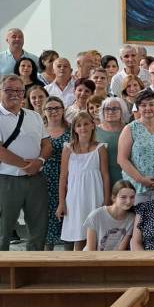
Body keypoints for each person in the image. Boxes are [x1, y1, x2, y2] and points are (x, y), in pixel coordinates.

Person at [0, 75, 52, 251]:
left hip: (35, 179)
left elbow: (46, 144)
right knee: (2, 229)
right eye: (9, 90)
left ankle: (34, 264)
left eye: (19, 90)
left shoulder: (34, 116)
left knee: (38, 228)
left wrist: (39, 162)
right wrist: (26, 166)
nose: (15, 94)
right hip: (5, 180)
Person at [57, 112, 109, 251]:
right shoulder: (68, 149)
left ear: (92, 125)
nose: (83, 128)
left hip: (94, 195)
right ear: (74, 129)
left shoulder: (100, 148)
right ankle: (78, 262)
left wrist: (106, 200)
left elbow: (105, 176)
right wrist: (62, 202)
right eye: (79, 125)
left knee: (96, 236)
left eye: (86, 124)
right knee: (79, 236)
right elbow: (63, 177)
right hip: (75, 199)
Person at [40, 97, 70, 249]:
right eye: (49, 108)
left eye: (57, 108)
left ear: (63, 110)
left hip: (67, 178)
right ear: (44, 111)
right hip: (44, 178)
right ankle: (47, 256)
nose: (53, 111)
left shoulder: (71, 130)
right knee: (45, 217)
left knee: (67, 216)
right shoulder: (39, 130)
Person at [84, 180, 136, 251]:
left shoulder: (132, 218)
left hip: (115, 256)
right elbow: (91, 250)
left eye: (132, 197)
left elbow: (120, 250)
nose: (128, 201)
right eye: (123, 197)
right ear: (114, 198)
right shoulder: (95, 215)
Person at [96, 97, 129, 189]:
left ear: (122, 111)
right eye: (107, 109)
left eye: (115, 109)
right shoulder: (94, 131)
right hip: (99, 179)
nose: (110, 112)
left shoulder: (129, 130)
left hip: (125, 178)